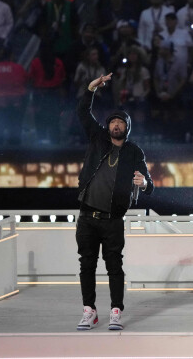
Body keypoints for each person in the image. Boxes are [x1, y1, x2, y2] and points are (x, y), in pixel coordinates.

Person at [75, 74, 154, 331]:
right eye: (113, 121)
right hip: (87, 216)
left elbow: (149, 183)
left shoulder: (134, 152)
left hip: (112, 220)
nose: (116, 125)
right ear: (108, 126)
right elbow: (83, 110)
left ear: (127, 128)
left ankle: (116, 311)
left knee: (114, 267)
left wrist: (144, 183)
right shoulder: (97, 139)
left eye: (121, 122)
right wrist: (91, 88)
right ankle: (89, 311)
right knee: (86, 264)